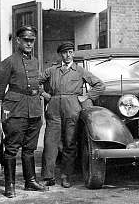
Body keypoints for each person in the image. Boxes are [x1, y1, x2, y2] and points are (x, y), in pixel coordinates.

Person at [0, 25, 47, 198]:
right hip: (15, 110)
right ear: (18, 41)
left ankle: (30, 181)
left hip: (34, 110)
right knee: (12, 149)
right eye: (26, 40)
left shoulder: (35, 61)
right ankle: (10, 185)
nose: (29, 44)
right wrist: (6, 108)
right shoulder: (9, 61)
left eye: (32, 41)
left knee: (30, 148)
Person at [39, 42, 105, 188]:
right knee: (50, 142)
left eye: (70, 52)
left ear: (73, 53)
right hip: (54, 108)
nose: (67, 55)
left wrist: (86, 97)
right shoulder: (52, 70)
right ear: (60, 55)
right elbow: (35, 82)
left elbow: (99, 85)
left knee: (70, 143)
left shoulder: (80, 71)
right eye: (64, 53)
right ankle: (48, 176)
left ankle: (65, 176)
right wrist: (45, 94)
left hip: (72, 108)